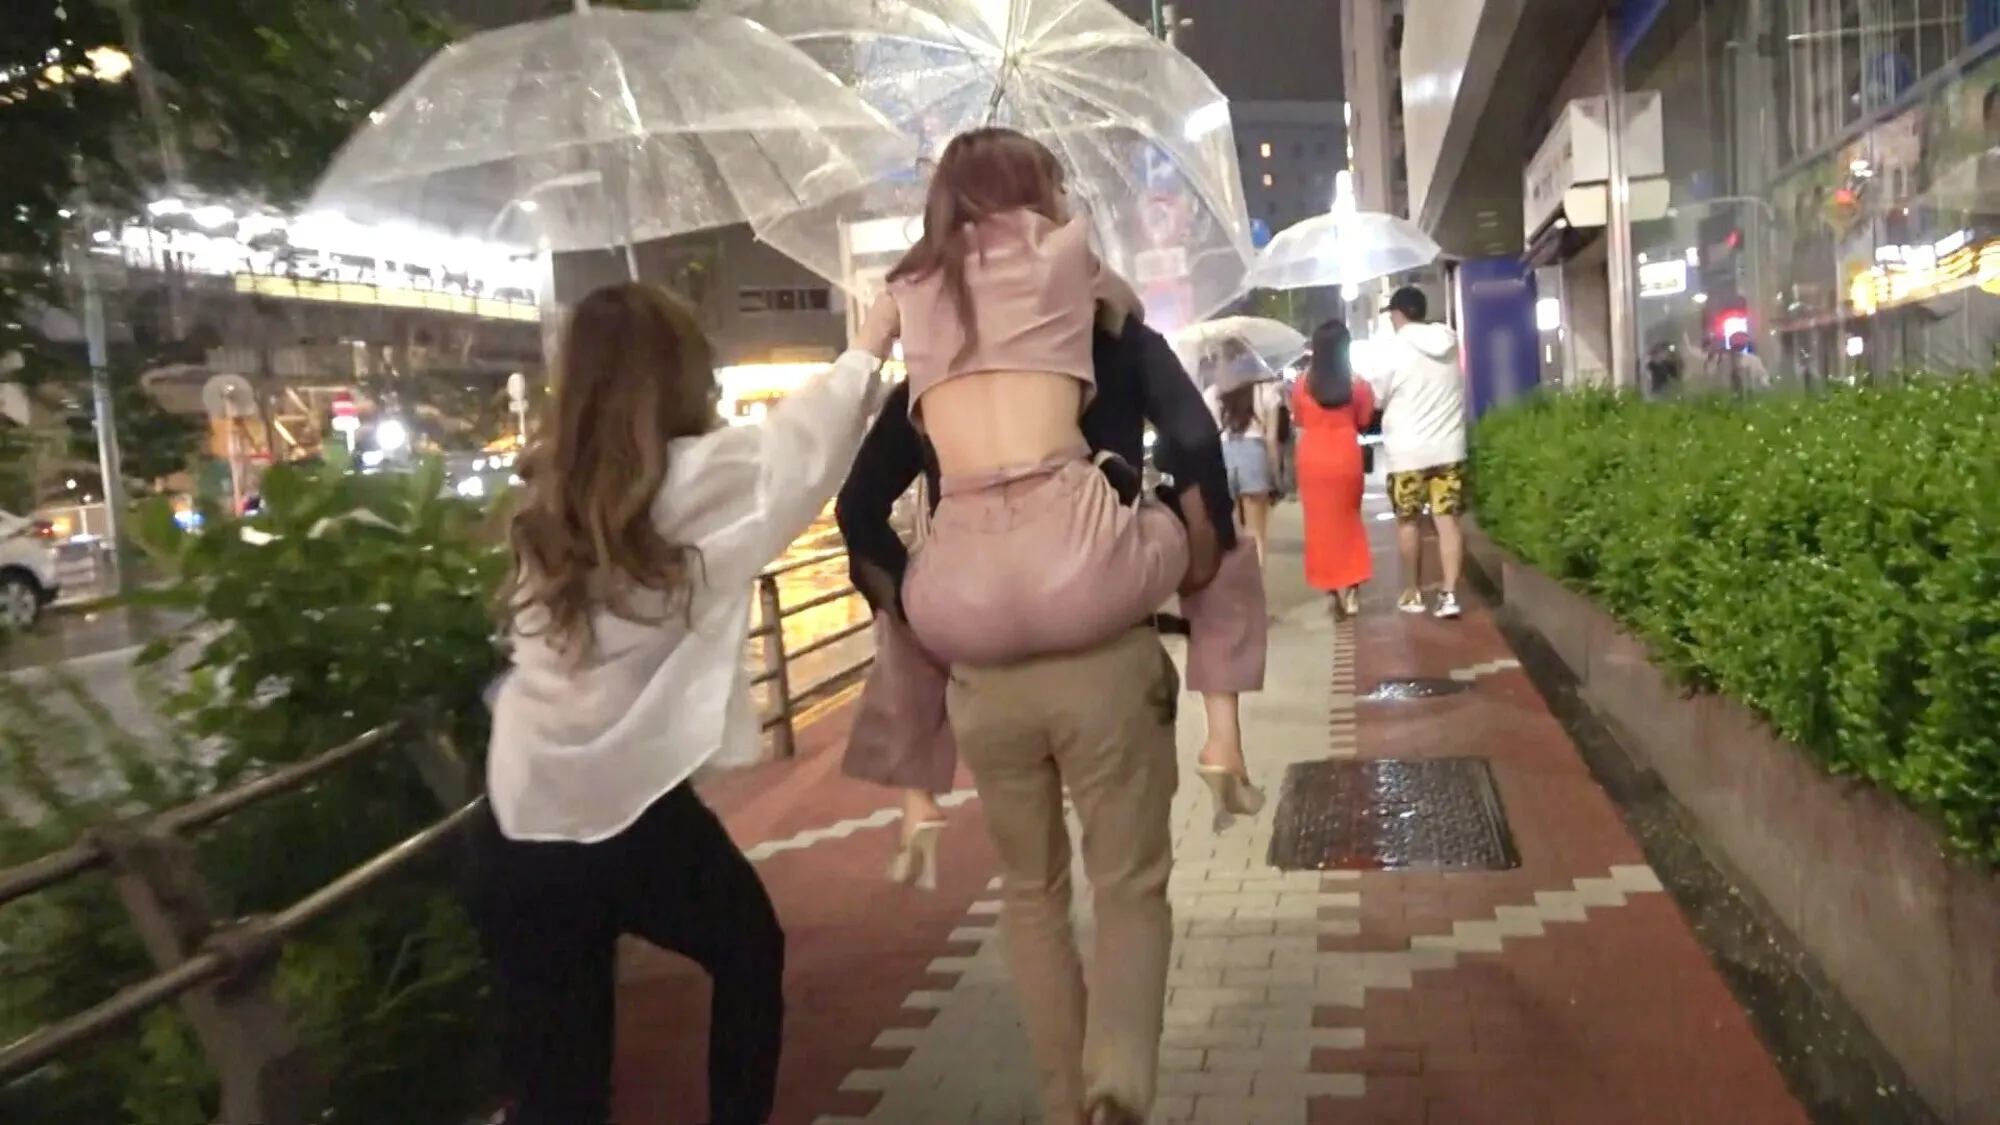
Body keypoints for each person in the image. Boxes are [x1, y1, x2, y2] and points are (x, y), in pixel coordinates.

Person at [838, 126, 1223, 1125]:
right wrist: (1199, 541)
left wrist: (913, 612)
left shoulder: (922, 331)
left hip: (978, 659)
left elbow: (856, 509)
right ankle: (1117, 1081)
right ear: (1039, 197)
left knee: (1029, 892)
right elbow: (1192, 435)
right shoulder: (1089, 299)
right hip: (1099, 641)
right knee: (1127, 883)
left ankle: (1060, 1102)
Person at [476, 281, 897, 1125]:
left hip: (517, 814)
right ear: (673, 374)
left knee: (562, 1088)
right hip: (626, 810)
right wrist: (874, 337)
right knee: (748, 950)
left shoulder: (548, 498)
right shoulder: (695, 478)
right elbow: (799, 451)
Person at [1370, 285, 1467, 619]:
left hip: (1407, 453)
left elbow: (1377, 398)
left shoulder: (1392, 350)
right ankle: (1450, 594)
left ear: (1397, 314)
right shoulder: (1449, 342)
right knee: (1447, 521)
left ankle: (1413, 593)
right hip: (1449, 448)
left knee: (1408, 521)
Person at [1292, 320, 1376, 617]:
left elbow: (1299, 419)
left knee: (1319, 528)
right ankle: (1352, 591)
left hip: (1312, 458)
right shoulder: (1357, 383)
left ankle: (1331, 591)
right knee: (1349, 522)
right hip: (1345, 455)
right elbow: (1364, 419)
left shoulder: (1302, 384)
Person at [1204, 371, 1282, 564]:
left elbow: (1209, 434)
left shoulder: (1213, 392)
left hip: (1224, 454)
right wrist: (1275, 473)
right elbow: (1271, 438)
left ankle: (1236, 577)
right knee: (1256, 534)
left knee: (1231, 533)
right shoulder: (1266, 390)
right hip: (1255, 454)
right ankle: (1256, 577)